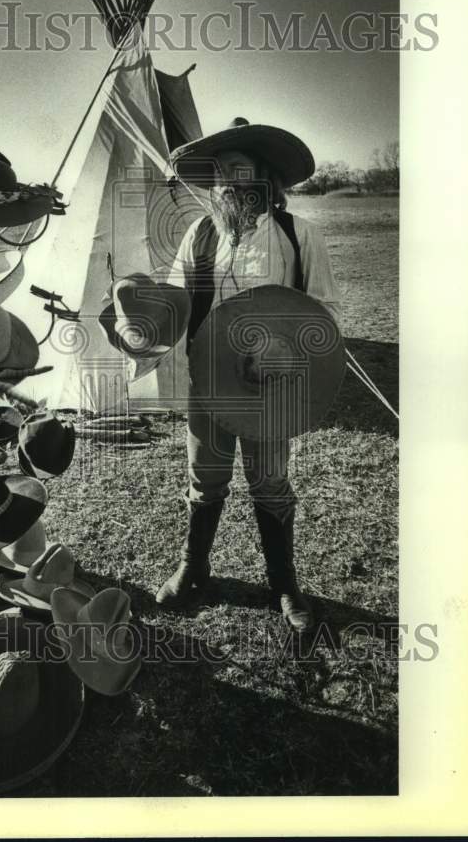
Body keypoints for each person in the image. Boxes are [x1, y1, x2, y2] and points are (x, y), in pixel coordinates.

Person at [156, 117, 342, 632]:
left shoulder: (299, 235)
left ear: (264, 175)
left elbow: (324, 313)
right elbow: (173, 303)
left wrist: (286, 350)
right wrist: (140, 318)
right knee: (205, 476)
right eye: (218, 171)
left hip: (273, 384)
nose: (226, 181)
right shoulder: (199, 234)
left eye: (237, 168)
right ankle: (194, 569)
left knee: (270, 481)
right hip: (208, 382)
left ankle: (284, 585)